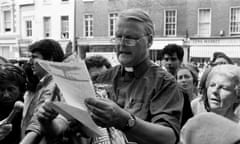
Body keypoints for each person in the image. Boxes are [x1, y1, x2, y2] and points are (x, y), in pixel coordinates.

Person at [83, 8, 183, 144]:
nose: (122, 43)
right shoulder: (103, 78)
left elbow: (169, 137)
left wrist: (126, 121)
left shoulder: (164, 83)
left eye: (130, 38)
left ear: (149, 41)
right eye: (118, 37)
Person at [20, 39, 67, 144]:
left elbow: (36, 125)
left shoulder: (53, 85)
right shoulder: (45, 84)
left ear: (50, 59)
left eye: (34, 57)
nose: (29, 62)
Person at [0, 64, 27, 144]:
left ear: (21, 90)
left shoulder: (27, 107)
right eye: (1, 89)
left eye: (10, 89)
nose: (6, 95)